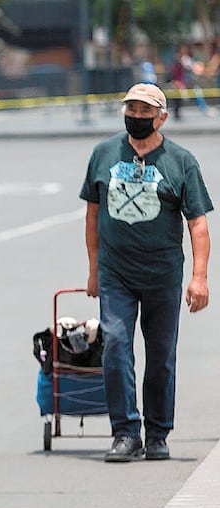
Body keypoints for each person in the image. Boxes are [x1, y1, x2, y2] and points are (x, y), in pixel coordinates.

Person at [80, 83, 212, 463]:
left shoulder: (180, 161)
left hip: (162, 275)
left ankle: (157, 433)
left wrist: (199, 277)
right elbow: (92, 215)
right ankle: (125, 432)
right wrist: (93, 270)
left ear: (162, 118)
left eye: (144, 111)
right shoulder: (103, 154)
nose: (136, 116)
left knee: (161, 356)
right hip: (115, 274)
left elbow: (198, 224)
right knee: (115, 345)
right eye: (131, 109)